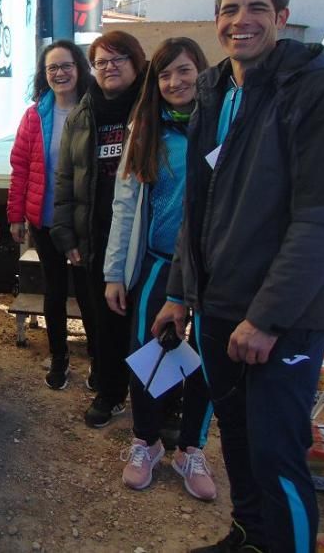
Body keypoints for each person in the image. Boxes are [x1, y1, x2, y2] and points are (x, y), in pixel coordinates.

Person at [156, 0, 324, 552]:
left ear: (282, 17)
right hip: (217, 305)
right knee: (236, 438)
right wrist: (176, 292)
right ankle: (249, 536)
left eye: (256, 9)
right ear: (217, 20)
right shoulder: (216, 90)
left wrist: (267, 318)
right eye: (230, 9)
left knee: (275, 450)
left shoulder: (316, 93)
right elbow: (200, 204)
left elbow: (323, 221)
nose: (242, 21)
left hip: (280, 317)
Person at [103, 37, 216, 500]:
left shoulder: (222, 125)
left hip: (212, 271)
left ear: (201, 72)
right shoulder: (145, 128)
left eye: (185, 70)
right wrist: (114, 271)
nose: (175, 82)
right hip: (156, 264)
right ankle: (146, 441)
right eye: (165, 74)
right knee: (151, 354)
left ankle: (191, 448)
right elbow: (125, 204)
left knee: (207, 363)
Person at [51, 30, 145, 428]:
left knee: (147, 321)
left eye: (118, 59)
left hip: (144, 239)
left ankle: (158, 403)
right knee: (103, 323)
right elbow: (65, 179)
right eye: (101, 61)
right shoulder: (82, 115)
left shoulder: (150, 108)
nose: (109, 68)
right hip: (95, 237)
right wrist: (65, 234)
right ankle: (110, 392)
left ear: (137, 63)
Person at [7, 40, 95, 389]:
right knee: (55, 291)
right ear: (44, 75)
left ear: (79, 69)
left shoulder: (94, 109)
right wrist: (16, 215)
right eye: (52, 68)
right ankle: (59, 358)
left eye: (67, 66)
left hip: (84, 221)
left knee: (89, 293)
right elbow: (21, 168)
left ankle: (99, 361)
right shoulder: (35, 115)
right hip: (44, 220)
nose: (60, 73)